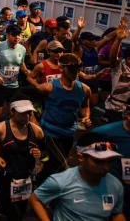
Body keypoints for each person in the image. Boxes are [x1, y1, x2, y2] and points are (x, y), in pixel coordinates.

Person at [30, 132, 125, 221]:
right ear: (81, 157)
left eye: (110, 161)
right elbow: (35, 199)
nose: (106, 167)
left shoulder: (115, 185)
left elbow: (116, 213)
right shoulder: (60, 181)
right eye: (99, 161)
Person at [36, 53, 93, 183]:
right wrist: (35, 123)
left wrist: (86, 117)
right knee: (62, 166)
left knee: (52, 164)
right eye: (72, 70)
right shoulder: (48, 87)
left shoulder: (84, 89)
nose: (75, 73)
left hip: (69, 132)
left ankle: (39, 179)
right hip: (50, 132)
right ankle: (54, 197)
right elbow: (31, 102)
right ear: (61, 68)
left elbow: (85, 107)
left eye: (77, 70)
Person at [0, 97, 44, 220]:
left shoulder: (37, 131)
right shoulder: (0, 128)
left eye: (29, 113)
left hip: (25, 180)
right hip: (5, 178)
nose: (27, 117)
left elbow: (46, 153)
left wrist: (41, 154)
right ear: (12, 112)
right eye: (22, 113)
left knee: (21, 212)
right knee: (14, 215)